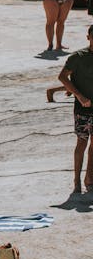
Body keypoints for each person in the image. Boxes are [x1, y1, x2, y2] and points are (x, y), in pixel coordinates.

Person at [57, 24, 93, 193]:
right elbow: (62, 77)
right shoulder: (78, 57)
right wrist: (78, 95)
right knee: (82, 143)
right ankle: (77, 180)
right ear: (88, 38)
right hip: (83, 108)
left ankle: (89, 178)